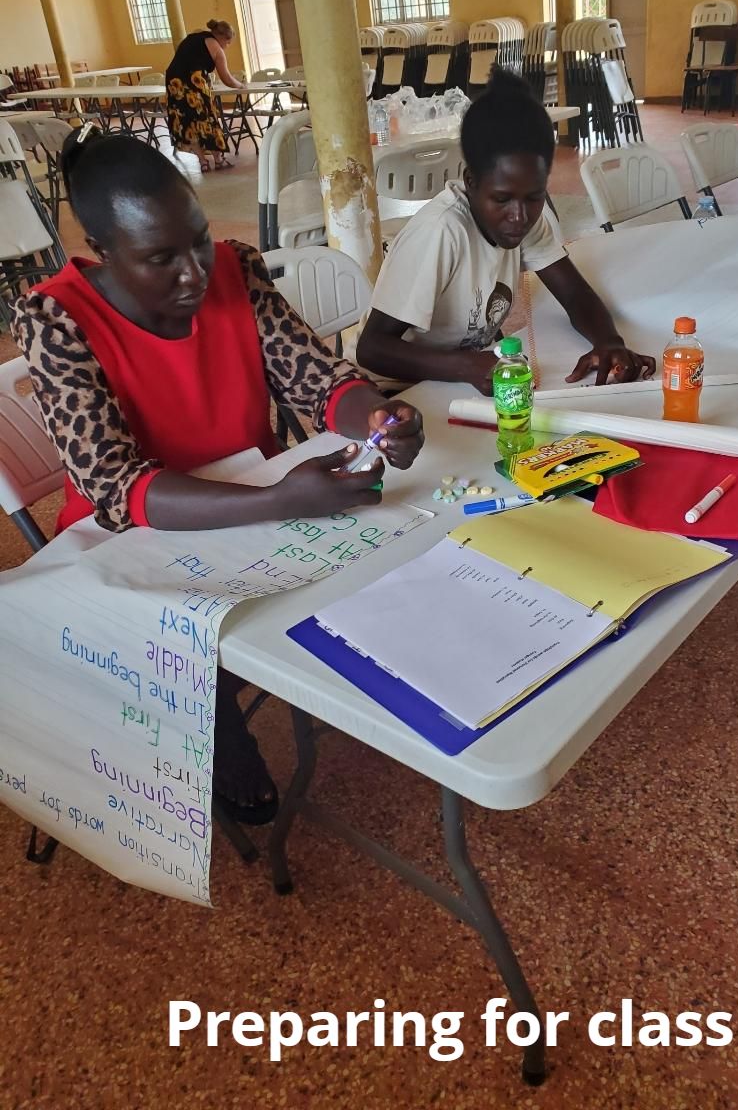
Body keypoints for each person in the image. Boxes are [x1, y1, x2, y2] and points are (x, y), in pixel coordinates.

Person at [11, 131, 424, 824]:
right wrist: (278, 499)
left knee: (387, 553)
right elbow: (115, 486)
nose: (194, 273)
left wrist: (376, 414)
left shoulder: (237, 271)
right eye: (160, 258)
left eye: (199, 240)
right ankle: (209, 726)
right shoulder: (56, 318)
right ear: (103, 251)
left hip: (255, 498)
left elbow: (318, 378)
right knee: (185, 640)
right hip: (131, 535)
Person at [356, 67, 655, 393]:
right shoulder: (442, 232)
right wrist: (467, 367)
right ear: (471, 182)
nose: (519, 216)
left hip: (454, 384)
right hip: (394, 391)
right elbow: (372, 349)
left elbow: (574, 294)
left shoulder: (525, 221)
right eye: (502, 199)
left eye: (534, 197)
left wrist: (608, 341)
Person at [166, 19, 244, 172]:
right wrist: (241, 85)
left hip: (173, 81)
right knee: (207, 119)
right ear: (223, 38)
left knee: (186, 121)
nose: (227, 46)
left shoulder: (194, 37)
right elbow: (227, 78)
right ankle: (218, 160)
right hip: (194, 81)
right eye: (228, 43)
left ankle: (203, 162)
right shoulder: (216, 48)